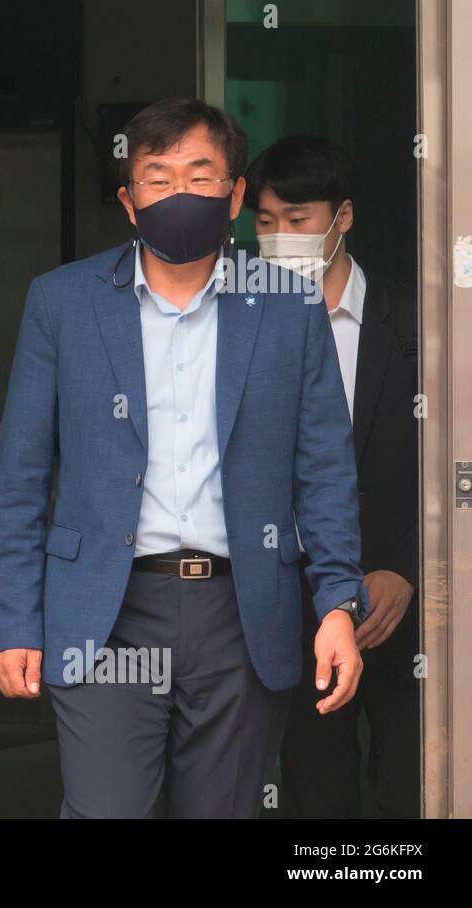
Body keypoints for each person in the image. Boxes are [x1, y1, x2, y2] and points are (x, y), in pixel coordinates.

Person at [0, 98, 368, 818]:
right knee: (106, 809)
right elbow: (22, 478)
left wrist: (339, 603)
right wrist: (11, 622)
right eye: (158, 178)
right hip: (107, 607)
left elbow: (324, 471)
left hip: (243, 611)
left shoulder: (288, 305)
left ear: (233, 196)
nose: (179, 193)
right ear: (129, 203)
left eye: (200, 175)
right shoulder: (63, 302)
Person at [247, 136, 420, 818]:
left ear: (342, 217)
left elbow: (453, 462)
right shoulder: (241, 322)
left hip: (403, 607)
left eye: (298, 220)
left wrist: (405, 568)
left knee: (414, 786)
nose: (280, 237)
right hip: (292, 609)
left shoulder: (418, 320)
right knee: (317, 795)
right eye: (265, 222)